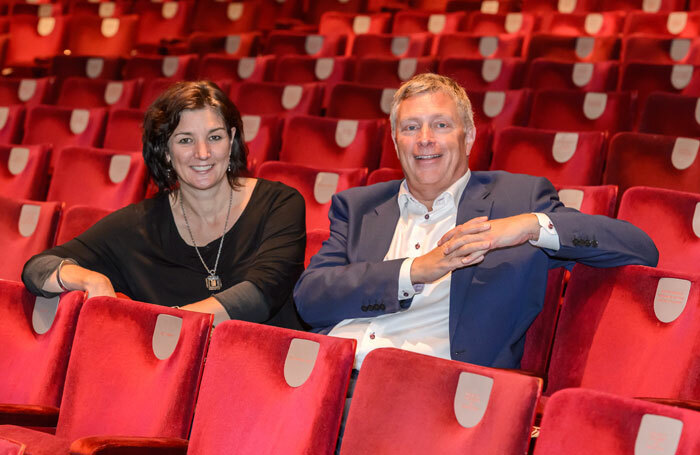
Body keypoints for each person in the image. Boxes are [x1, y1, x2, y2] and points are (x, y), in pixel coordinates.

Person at [293, 73, 659, 369]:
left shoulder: (517, 198)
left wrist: (529, 225)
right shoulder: (359, 205)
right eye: (410, 128)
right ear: (394, 140)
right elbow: (310, 300)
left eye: (440, 125)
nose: (424, 140)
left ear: (468, 137)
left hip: (431, 387)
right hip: (333, 373)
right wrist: (414, 271)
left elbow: (640, 248)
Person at [23, 81, 306, 329]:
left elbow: (262, 293)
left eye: (215, 137)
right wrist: (90, 280)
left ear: (231, 140)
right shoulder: (138, 225)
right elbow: (37, 268)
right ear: (166, 151)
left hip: (266, 371)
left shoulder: (280, 204)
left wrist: (165, 323)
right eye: (185, 140)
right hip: (172, 379)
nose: (203, 153)